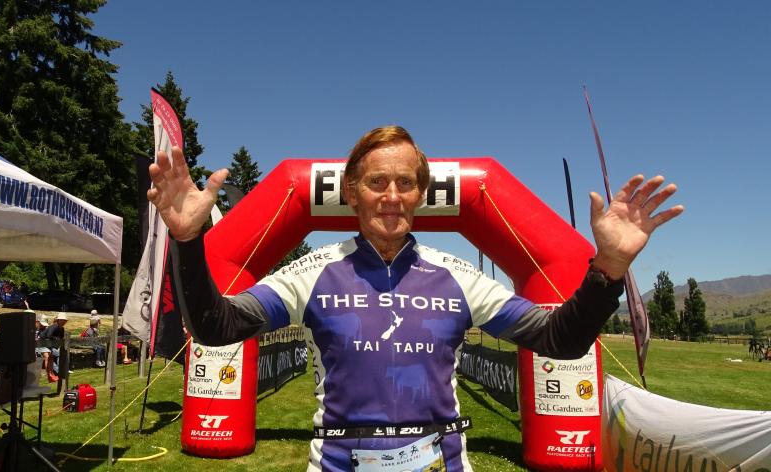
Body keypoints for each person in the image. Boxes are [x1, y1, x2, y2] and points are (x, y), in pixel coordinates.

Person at [147, 125, 683, 471]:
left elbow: (559, 341)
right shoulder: (314, 272)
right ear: (351, 191)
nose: (392, 195)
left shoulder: (457, 276)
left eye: (405, 183)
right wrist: (189, 242)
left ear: (422, 195)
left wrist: (608, 267)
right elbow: (216, 327)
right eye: (377, 181)